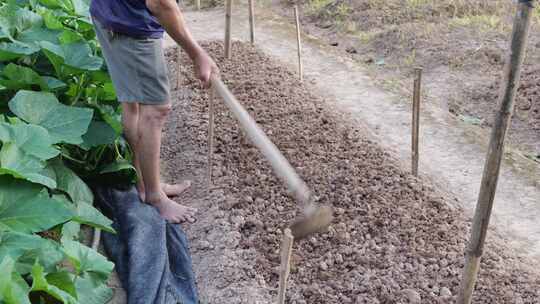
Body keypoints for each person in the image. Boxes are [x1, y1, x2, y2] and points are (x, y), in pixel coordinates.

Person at [90, 0, 218, 223]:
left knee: (133, 104)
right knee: (156, 109)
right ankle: (155, 197)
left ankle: (146, 185)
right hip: (130, 25)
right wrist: (197, 54)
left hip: (110, 13)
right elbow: (161, 4)